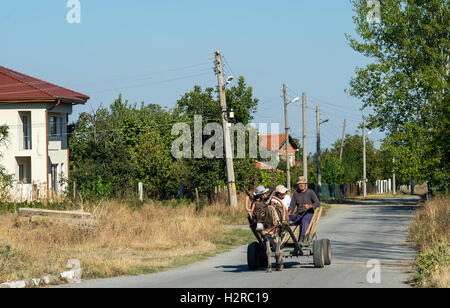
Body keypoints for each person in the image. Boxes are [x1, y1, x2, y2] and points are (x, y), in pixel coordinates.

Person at [288, 176, 320, 241]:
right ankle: (286, 238)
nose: (301, 185)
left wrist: (310, 206)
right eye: (300, 184)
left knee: (304, 221)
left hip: (308, 213)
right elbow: (292, 205)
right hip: (299, 213)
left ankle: (303, 239)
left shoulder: (310, 192)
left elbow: (317, 203)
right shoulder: (296, 193)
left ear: (305, 184)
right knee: (287, 220)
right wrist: (289, 213)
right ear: (298, 185)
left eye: (303, 183)